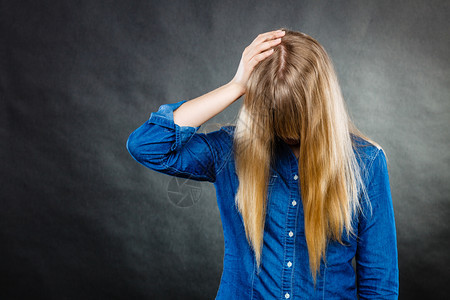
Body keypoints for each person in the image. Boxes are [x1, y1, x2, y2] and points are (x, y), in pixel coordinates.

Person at [126, 27, 399, 299]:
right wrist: (237, 86)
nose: (289, 132)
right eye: (278, 116)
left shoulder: (366, 163)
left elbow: (379, 286)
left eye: (298, 118)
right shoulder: (230, 151)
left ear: (321, 103)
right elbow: (147, 144)